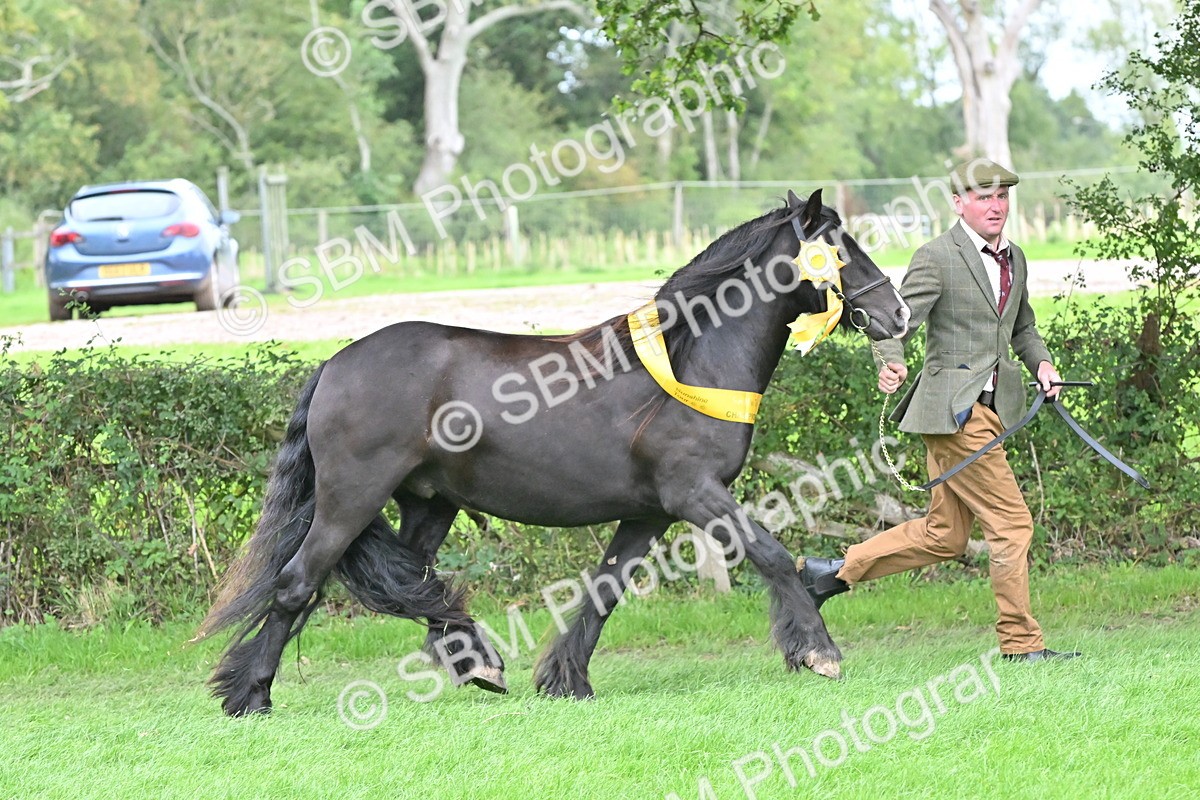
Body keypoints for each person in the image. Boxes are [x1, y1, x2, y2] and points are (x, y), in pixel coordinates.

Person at [800, 158, 1080, 662]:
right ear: (958, 203)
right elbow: (898, 321)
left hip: (994, 411)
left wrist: (1043, 365)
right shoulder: (936, 257)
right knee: (1013, 526)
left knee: (945, 535)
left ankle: (830, 573)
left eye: (1001, 197)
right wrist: (891, 363)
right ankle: (1021, 645)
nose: (995, 206)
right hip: (955, 413)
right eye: (983, 197)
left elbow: (1022, 328)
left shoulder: (1014, 257)